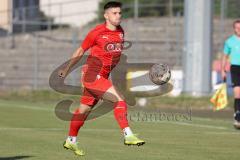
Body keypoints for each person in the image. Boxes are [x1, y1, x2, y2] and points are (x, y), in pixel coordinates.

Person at [58, 1, 145, 156]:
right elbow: (80, 51)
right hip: (92, 75)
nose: (118, 16)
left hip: (102, 75)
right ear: (106, 15)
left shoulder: (120, 32)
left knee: (83, 110)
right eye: (114, 13)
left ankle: (70, 140)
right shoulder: (96, 32)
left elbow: (112, 56)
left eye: (119, 13)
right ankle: (128, 135)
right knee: (119, 99)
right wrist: (67, 69)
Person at [221, 19, 240, 129]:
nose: (239, 30)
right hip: (235, 68)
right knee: (238, 93)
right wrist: (223, 70)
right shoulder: (230, 41)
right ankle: (237, 116)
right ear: (234, 29)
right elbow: (225, 56)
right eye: (237, 28)